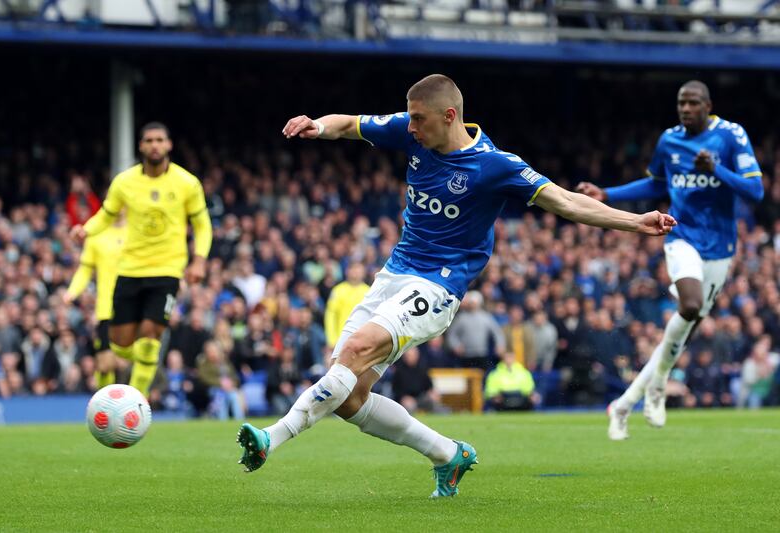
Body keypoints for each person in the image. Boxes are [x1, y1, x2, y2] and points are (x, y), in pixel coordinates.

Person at [237, 74, 676, 498]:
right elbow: (350, 124)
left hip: (438, 286)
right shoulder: (411, 132)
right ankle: (448, 454)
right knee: (349, 396)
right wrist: (319, 126)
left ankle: (272, 438)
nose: (410, 127)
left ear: (449, 116)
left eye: (419, 120)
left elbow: (566, 201)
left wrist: (636, 221)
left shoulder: (495, 166)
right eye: (409, 119)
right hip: (394, 275)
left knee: (352, 354)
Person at [576, 80, 764, 440]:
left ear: (708, 105)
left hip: (720, 248)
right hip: (680, 235)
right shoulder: (669, 140)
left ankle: (623, 405)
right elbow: (656, 184)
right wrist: (607, 193)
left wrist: (717, 170)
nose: (686, 109)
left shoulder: (731, 136)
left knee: (681, 333)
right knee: (690, 306)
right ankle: (659, 384)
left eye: (693, 103)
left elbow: (755, 190)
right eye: (681, 103)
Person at [70, 122, 213, 397]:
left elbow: (203, 225)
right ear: (141, 146)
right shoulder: (125, 182)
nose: (155, 145)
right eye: (149, 140)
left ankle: (136, 400)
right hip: (130, 269)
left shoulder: (187, 183)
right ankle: (141, 369)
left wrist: (199, 260)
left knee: (150, 336)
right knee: (121, 345)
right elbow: (106, 214)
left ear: (169, 145)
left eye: (160, 140)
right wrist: (84, 229)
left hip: (167, 270)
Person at [63, 213, 126, 389]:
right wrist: (72, 292)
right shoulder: (97, 235)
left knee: (131, 358)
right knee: (105, 363)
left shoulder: (138, 233)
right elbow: (85, 270)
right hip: (106, 308)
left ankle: (136, 401)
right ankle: (106, 405)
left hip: (133, 305)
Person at [324, 262, 370, 354]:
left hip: (362, 341)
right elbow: (330, 316)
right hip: (340, 341)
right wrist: (331, 340)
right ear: (347, 271)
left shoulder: (369, 291)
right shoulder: (338, 290)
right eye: (353, 269)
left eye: (358, 270)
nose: (356, 272)